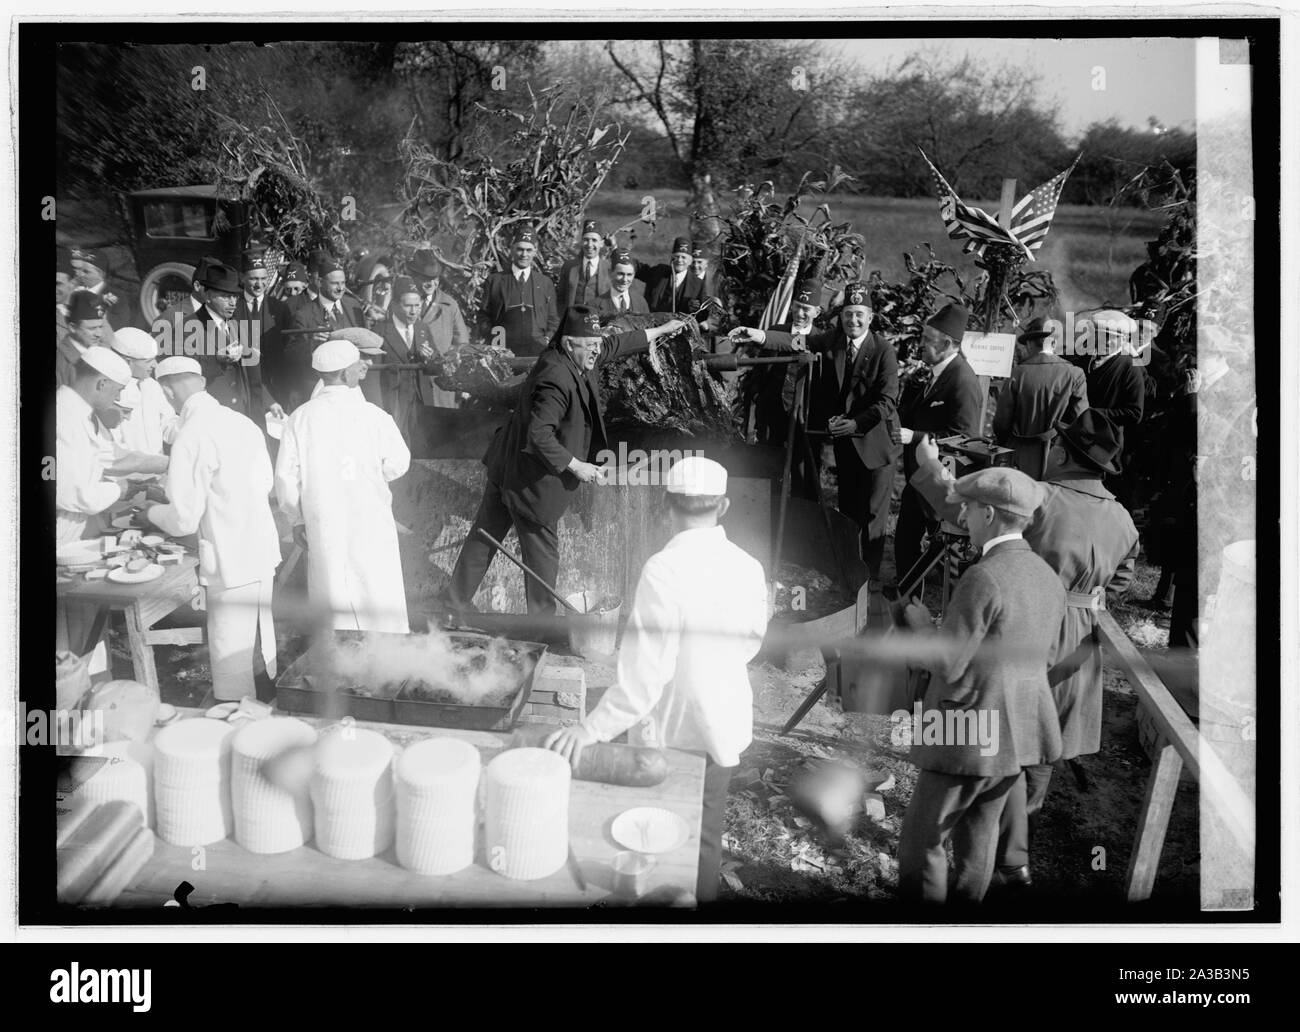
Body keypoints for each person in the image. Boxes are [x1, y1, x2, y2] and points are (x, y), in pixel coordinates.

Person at [909, 412, 1139, 887]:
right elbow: (1122, 579)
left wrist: (931, 467)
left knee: (1003, 736)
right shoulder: (1122, 516)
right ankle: (1015, 856)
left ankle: (1005, 855)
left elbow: (968, 511)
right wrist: (1087, 600)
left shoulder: (1042, 498)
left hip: (1018, 630)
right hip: (1078, 637)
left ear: (1061, 452)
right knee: (1036, 743)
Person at [544, 456, 768, 903]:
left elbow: (646, 675)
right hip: (722, 726)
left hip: (673, 733)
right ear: (722, 506)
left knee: (658, 839)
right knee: (703, 839)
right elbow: (752, 643)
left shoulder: (663, 570)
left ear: (666, 507)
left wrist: (590, 728)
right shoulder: (749, 566)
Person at [896, 467, 1065, 905]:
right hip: (1020, 730)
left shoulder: (982, 577)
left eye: (968, 510)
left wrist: (919, 626)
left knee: (923, 839)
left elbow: (949, 664)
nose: (963, 518)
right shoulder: (1048, 576)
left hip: (966, 731)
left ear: (989, 514)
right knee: (980, 839)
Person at [447, 306, 685, 617]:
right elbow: (539, 435)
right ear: (570, 343)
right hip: (528, 477)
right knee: (542, 557)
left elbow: (615, 345)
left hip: (507, 464)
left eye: (597, 343)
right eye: (591, 345)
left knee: (484, 536)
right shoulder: (555, 377)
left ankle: (453, 606)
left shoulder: (578, 352)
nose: (597, 350)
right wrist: (577, 465)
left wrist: (661, 330)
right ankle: (540, 626)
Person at [143, 356, 283, 701]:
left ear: (166, 390)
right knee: (260, 639)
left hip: (228, 558)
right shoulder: (242, 423)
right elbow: (265, 483)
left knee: (230, 651)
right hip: (261, 547)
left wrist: (150, 512)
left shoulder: (191, 435)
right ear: (202, 384)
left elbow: (183, 520)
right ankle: (267, 706)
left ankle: (235, 722)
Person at [743, 280, 901, 580]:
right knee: (848, 511)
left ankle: (872, 581)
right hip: (846, 443)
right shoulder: (833, 341)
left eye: (858, 315)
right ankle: (851, 573)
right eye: (847, 314)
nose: (852, 321)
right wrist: (759, 335)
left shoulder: (883, 351)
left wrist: (856, 423)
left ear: (870, 317)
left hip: (876, 445)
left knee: (873, 518)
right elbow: (795, 342)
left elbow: (887, 400)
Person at [274, 339, 412, 634]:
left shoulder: (300, 418)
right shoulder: (374, 416)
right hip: (368, 514)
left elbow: (285, 481)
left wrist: (296, 518)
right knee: (375, 586)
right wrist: (371, 475)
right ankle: (386, 657)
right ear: (348, 373)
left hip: (323, 518)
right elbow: (398, 464)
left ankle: (342, 655)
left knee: (333, 589)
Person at [892, 302, 983, 586]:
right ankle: (906, 589)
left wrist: (915, 436)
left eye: (927, 341)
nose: (921, 345)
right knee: (906, 536)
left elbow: (964, 436)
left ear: (946, 344)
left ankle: (913, 593)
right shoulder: (937, 371)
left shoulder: (962, 380)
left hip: (941, 479)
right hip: (922, 476)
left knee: (922, 540)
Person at [992, 316, 1089, 479]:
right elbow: (1080, 421)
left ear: (1029, 343)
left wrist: (1002, 442)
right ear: (1054, 343)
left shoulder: (1018, 372)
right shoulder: (1074, 374)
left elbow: (1002, 422)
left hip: (1018, 452)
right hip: (1057, 455)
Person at [55, 346, 134, 543]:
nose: (117, 398)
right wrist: (119, 488)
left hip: (74, 528)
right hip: (61, 533)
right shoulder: (64, 417)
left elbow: (106, 460)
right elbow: (75, 494)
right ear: (102, 383)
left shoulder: (78, 413)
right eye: (118, 391)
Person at [374, 277, 440, 447]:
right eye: (408, 305)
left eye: (417, 305)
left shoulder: (422, 329)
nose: (414, 311)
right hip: (394, 402)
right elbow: (372, 376)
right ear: (395, 304)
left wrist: (429, 358)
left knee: (423, 445)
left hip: (422, 401)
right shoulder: (380, 331)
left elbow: (437, 365)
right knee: (397, 447)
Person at [476, 227, 560, 356]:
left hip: (537, 351)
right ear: (512, 249)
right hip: (504, 351)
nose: (524, 255)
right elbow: (483, 316)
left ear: (535, 252)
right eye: (520, 249)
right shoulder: (495, 281)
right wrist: (494, 339)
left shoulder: (545, 283)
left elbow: (553, 319)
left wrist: (547, 339)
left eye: (528, 250)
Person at [407, 250, 471, 407]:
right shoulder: (400, 303)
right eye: (425, 278)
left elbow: (462, 344)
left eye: (434, 279)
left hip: (439, 384)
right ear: (414, 277)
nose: (431, 284)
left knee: (439, 426)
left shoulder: (449, 306)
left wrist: (448, 362)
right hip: (410, 381)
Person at [107, 326, 176, 466]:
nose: (154, 365)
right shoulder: (110, 392)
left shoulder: (152, 386)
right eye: (148, 361)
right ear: (128, 361)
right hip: (125, 478)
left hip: (157, 471)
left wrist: (192, 428)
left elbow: (168, 424)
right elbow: (112, 447)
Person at [233, 248, 292, 408]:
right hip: (245, 382)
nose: (260, 284)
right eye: (254, 279)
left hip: (275, 381)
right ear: (243, 278)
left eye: (264, 278)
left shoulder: (279, 308)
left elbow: (286, 342)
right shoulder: (233, 307)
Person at [57, 290, 113, 388]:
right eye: (92, 329)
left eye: (100, 327)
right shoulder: (60, 362)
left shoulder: (101, 353)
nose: (99, 334)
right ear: (72, 327)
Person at [638, 236, 706, 314]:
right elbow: (638, 269)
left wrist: (694, 309)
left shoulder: (698, 284)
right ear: (671, 258)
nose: (679, 260)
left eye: (683, 257)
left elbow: (703, 314)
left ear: (690, 261)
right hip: (652, 322)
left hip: (681, 325)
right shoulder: (658, 272)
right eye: (676, 256)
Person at [557, 219, 610, 308]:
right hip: (573, 318)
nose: (589, 245)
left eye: (594, 240)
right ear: (581, 241)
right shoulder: (569, 267)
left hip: (599, 319)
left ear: (601, 243)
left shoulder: (609, 268)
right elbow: (560, 299)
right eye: (586, 239)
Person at [593, 249, 649, 322]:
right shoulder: (594, 306)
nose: (625, 279)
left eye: (629, 275)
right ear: (610, 273)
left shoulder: (641, 302)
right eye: (620, 274)